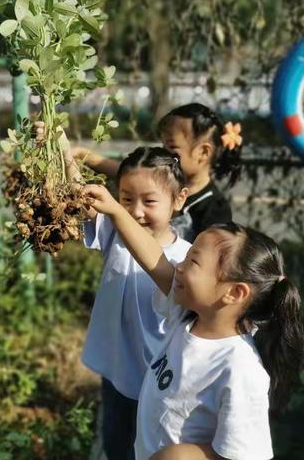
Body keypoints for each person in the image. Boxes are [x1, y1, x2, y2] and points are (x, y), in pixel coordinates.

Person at [83, 183, 304, 460]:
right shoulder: (187, 316)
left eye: (194, 262)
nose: (179, 265)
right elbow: (155, 259)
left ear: (234, 293)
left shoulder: (239, 369)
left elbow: (244, 455)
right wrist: (115, 210)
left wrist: (180, 455)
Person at [61, 133, 192, 460]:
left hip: (158, 379)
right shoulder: (116, 234)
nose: (135, 211)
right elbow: (84, 197)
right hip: (117, 369)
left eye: (149, 201)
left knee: (151, 448)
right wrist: (61, 148)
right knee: (116, 442)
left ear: (179, 199)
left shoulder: (189, 259)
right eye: (125, 199)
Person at [72, 103, 243, 242]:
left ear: (203, 153)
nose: (164, 154)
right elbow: (131, 176)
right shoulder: (163, 178)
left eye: (172, 149)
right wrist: (82, 155)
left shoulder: (214, 211)